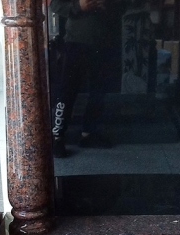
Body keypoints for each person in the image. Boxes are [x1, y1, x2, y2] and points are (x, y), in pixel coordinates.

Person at [49, 0, 125, 158]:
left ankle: (88, 134)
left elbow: (124, 6)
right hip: (75, 42)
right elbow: (55, 4)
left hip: (104, 42)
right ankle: (57, 137)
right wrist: (78, 6)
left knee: (98, 91)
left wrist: (108, 5)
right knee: (67, 90)